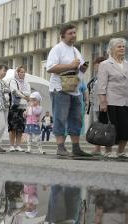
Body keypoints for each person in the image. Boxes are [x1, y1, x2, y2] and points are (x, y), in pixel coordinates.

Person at [46, 24, 91, 157]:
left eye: (74, 33)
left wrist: (82, 69)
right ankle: (60, 148)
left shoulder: (76, 50)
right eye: (70, 33)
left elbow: (81, 68)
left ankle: (76, 148)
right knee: (60, 118)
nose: (73, 35)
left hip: (75, 89)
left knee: (76, 119)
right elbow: (50, 67)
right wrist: (70, 66)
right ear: (63, 35)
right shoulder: (57, 49)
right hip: (59, 89)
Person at [96, 38, 128, 159]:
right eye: (119, 46)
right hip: (111, 101)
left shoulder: (126, 64)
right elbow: (101, 85)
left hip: (125, 101)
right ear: (112, 49)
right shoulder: (105, 64)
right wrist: (102, 102)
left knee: (125, 127)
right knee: (110, 128)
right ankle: (108, 151)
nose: (122, 48)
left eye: (123, 46)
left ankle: (121, 151)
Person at [87, 57, 107, 155]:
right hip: (95, 106)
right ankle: (97, 148)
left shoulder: (107, 77)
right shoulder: (95, 78)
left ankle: (107, 149)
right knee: (97, 127)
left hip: (104, 105)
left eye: (98, 65)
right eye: (95, 66)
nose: (96, 68)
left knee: (106, 127)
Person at [8, 66, 31, 152]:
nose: (23, 74)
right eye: (21, 72)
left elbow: (29, 92)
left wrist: (21, 92)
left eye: (24, 72)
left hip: (23, 107)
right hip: (14, 107)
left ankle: (18, 145)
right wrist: (25, 96)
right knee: (13, 127)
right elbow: (14, 91)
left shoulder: (26, 83)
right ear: (17, 73)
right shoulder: (13, 81)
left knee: (20, 127)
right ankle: (11, 145)